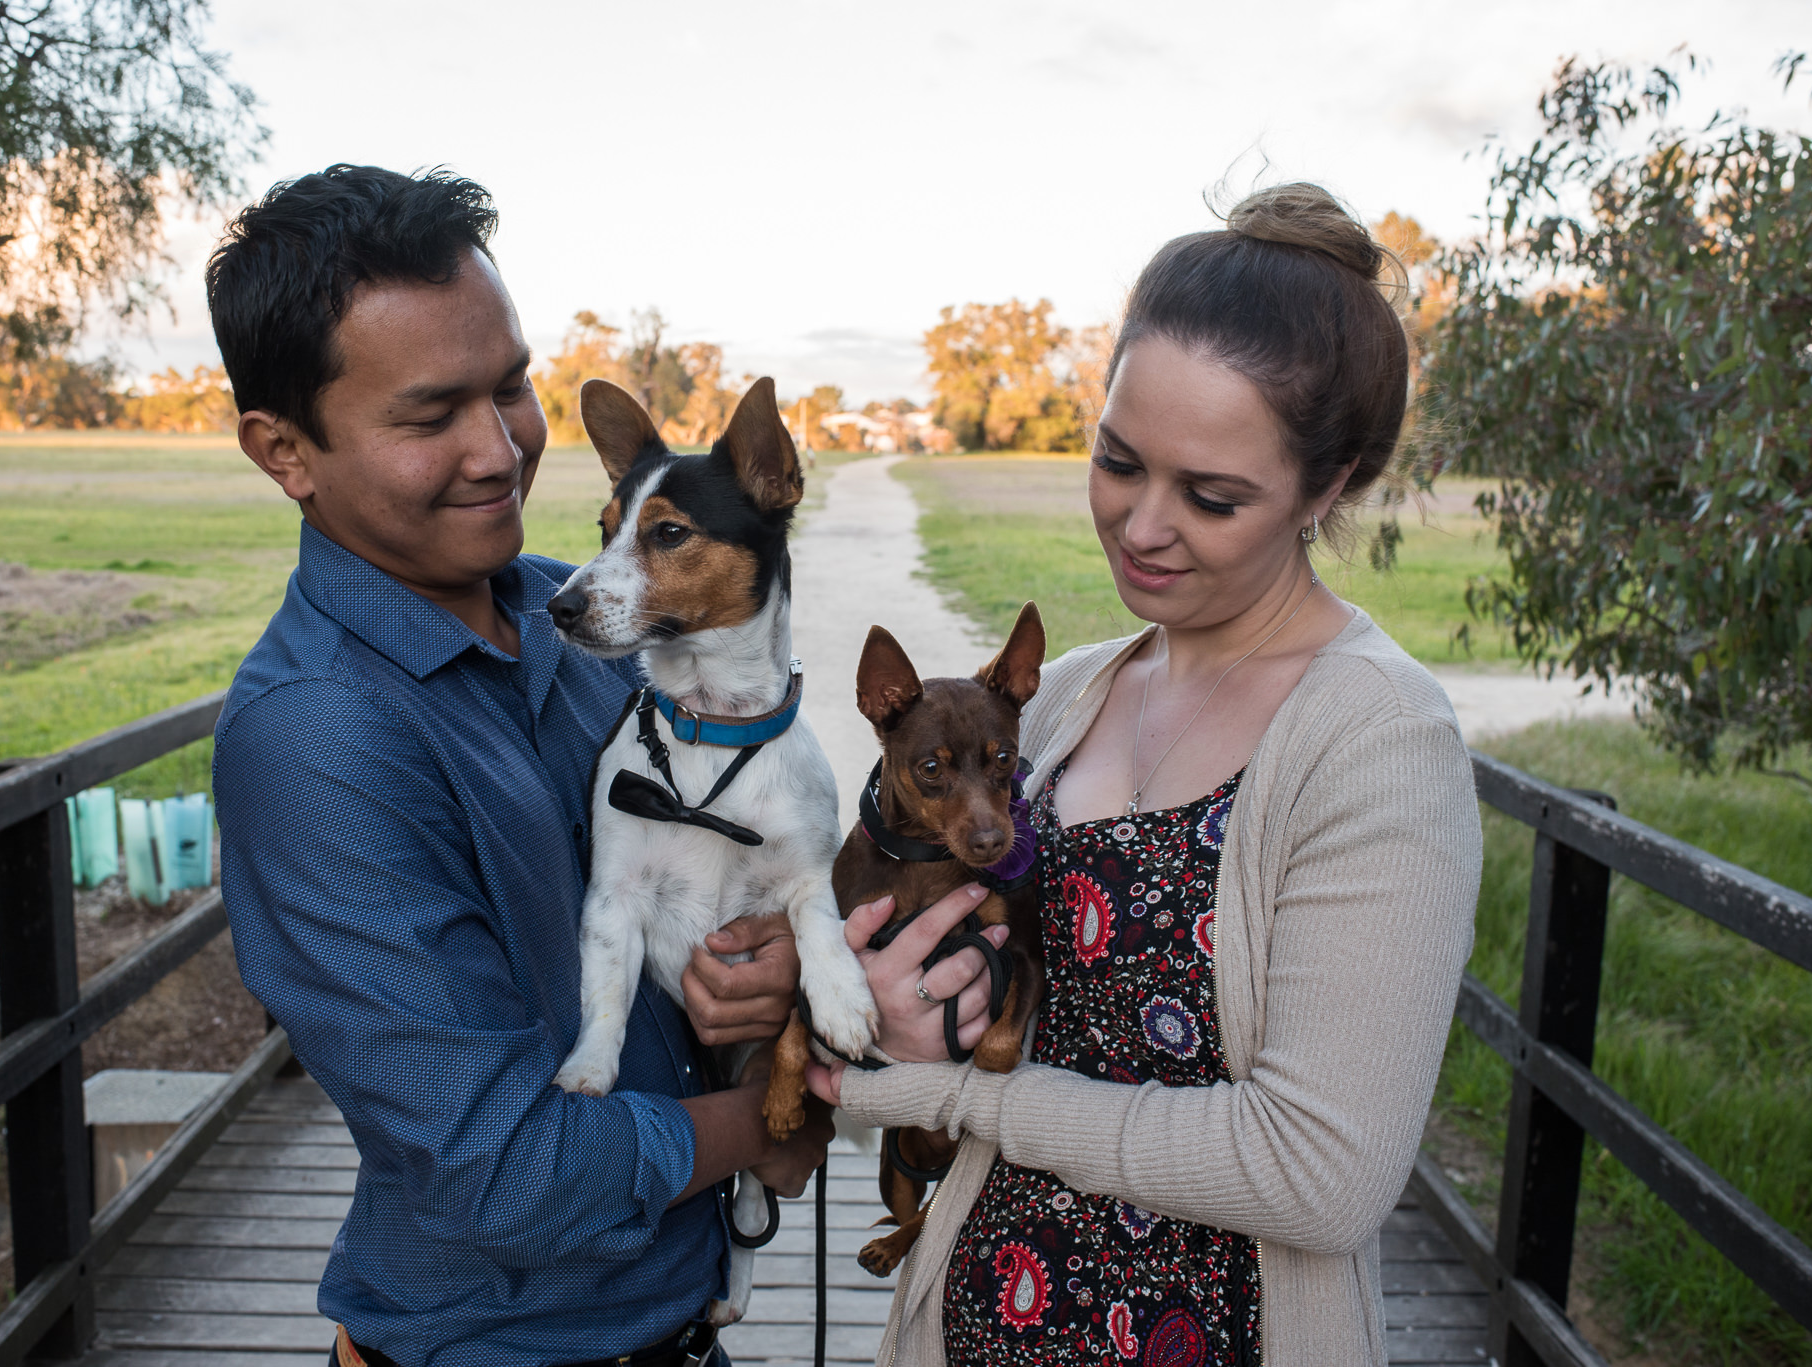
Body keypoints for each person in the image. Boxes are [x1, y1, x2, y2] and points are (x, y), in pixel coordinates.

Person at [808, 184, 1484, 1366]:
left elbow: (1318, 1174)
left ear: (1330, 485)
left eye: (1210, 495)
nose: (1139, 525)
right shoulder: (1064, 694)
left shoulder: (1375, 741)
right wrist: (846, 1012)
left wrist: (955, 1098)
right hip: (966, 1327)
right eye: (1117, 461)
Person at [206, 164, 835, 1367]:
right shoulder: (316, 738)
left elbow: (734, 867)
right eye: (429, 414)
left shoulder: (588, 621)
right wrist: (766, 1121)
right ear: (286, 450)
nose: (500, 451)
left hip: (681, 1322)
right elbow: (504, 1169)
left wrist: (766, 972)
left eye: (510, 388)